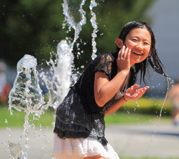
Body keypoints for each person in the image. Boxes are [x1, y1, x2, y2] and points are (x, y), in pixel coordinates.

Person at [53, 21, 168, 159]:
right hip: (74, 122)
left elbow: (104, 110)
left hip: (92, 125)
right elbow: (101, 98)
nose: (140, 46)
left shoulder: (129, 75)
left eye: (145, 43)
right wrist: (123, 71)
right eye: (135, 40)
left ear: (149, 52)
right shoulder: (106, 60)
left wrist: (125, 98)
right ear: (120, 43)